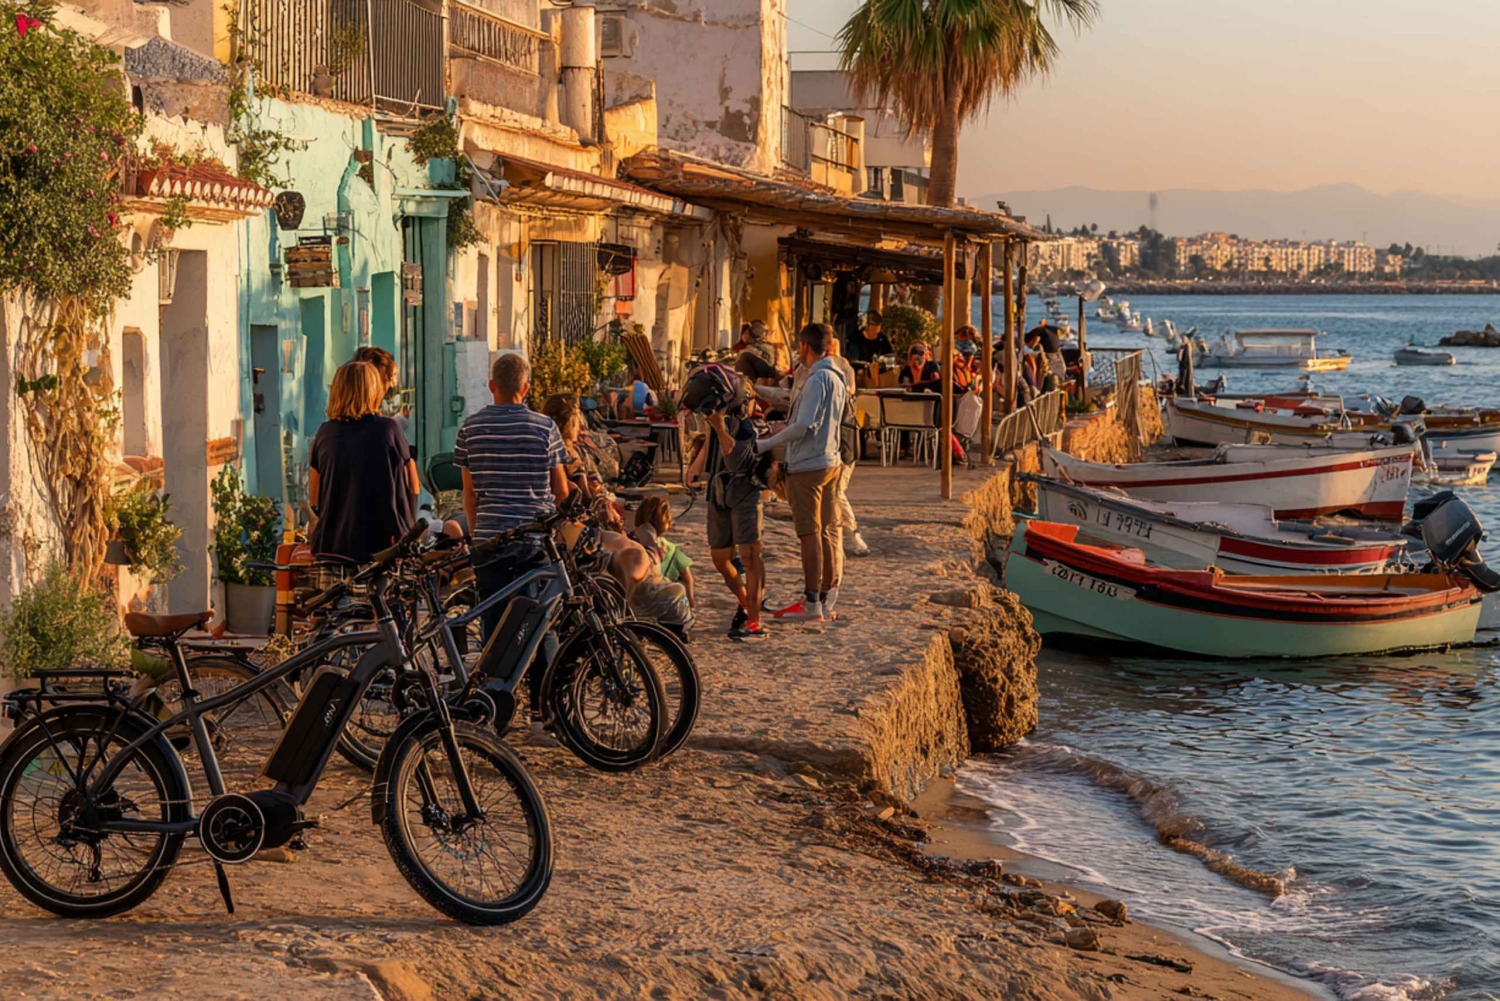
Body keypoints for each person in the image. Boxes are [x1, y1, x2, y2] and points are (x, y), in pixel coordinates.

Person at [455, 353, 571, 641]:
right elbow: (562, 491)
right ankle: (540, 670)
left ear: (492, 386)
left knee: (495, 626)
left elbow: (469, 494)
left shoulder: (470, 429)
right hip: (533, 540)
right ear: (526, 388)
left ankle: (495, 670)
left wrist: (478, 538)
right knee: (540, 623)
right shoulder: (545, 427)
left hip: (490, 539)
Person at [756, 323, 850, 623]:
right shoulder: (837, 376)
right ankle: (825, 596)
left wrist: (766, 444)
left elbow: (803, 425)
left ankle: (811, 602)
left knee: (809, 534)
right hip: (831, 461)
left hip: (808, 465)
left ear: (805, 347)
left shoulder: (817, 379)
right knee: (827, 531)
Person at [307, 360, 419, 563]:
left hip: (333, 548)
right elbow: (412, 483)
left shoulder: (324, 433)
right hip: (382, 546)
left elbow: (314, 496)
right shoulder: (388, 429)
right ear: (374, 391)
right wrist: (409, 524)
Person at [687, 372, 770, 642]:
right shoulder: (717, 421)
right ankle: (746, 601)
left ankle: (753, 620)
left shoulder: (747, 427)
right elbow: (710, 445)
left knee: (749, 555)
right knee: (720, 557)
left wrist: (720, 427)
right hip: (719, 491)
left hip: (744, 491)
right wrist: (696, 467)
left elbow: (735, 459)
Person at [632, 495, 695, 607]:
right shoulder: (671, 550)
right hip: (661, 603)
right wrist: (691, 604)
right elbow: (687, 578)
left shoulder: (629, 542)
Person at [1024, 321, 1067, 390]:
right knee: (1058, 376)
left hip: (1050, 356)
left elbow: (1033, 342)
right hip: (1058, 355)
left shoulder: (1039, 331)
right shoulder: (1052, 329)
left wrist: (1027, 348)